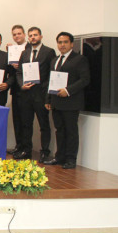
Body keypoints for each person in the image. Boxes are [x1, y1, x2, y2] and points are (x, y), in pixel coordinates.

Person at [44, 32, 90, 169]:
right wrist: (48, 99)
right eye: (59, 42)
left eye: (65, 42)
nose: (62, 45)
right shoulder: (55, 60)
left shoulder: (80, 59)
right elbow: (51, 81)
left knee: (71, 131)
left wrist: (68, 90)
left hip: (71, 102)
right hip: (57, 102)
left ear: (71, 44)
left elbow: (85, 79)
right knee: (59, 130)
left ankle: (70, 159)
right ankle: (59, 157)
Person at [14, 26, 56, 162]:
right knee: (26, 124)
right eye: (31, 35)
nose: (33, 37)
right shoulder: (25, 53)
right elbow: (19, 72)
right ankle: (27, 150)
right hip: (26, 94)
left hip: (41, 94)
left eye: (35, 35)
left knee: (44, 125)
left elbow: (52, 73)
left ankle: (44, 152)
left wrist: (48, 95)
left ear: (41, 36)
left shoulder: (49, 52)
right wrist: (21, 85)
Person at [8, 25, 31, 156]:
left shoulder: (30, 49)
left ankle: (26, 148)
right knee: (16, 119)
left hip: (28, 90)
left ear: (24, 34)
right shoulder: (11, 49)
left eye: (19, 34)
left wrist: (20, 65)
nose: (17, 36)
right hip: (16, 90)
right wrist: (13, 65)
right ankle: (19, 145)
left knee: (25, 121)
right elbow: (10, 73)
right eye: (14, 34)